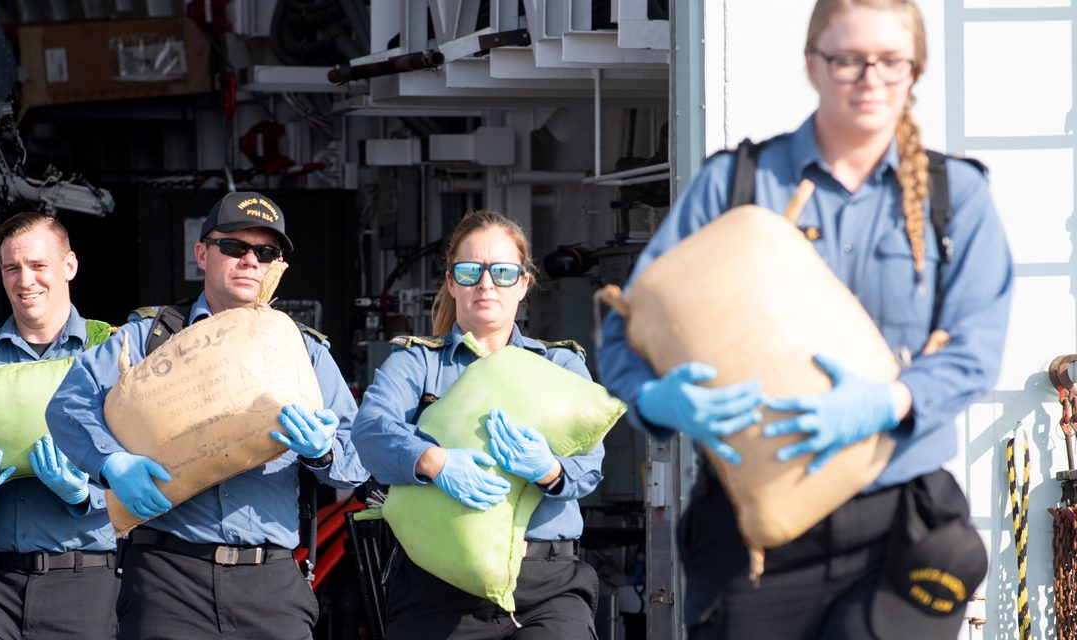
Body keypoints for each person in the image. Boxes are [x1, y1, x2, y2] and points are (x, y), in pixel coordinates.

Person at [597, 1, 1012, 638]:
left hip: (899, 525)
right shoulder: (733, 185)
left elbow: (975, 347)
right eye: (848, 59)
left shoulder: (954, 199)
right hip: (753, 539)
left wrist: (890, 401)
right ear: (813, 65)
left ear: (914, 70)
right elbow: (624, 326)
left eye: (891, 61)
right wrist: (657, 400)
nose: (870, 78)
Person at [45, 191, 367, 640]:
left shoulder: (303, 350)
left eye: (265, 252)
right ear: (202, 253)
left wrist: (323, 452)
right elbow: (67, 405)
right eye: (234, 247)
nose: (250, 261)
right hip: (167, 579)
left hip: (269, 581)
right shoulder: (150, 337)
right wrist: (111, 463)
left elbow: (355, 460)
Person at [352, 209, 605, 639]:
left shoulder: (561, 364)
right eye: (470, 271)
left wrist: (549, 469)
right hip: (439, 588)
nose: (486, 284)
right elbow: (370, 430)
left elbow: (591, 465)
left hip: (546, 584)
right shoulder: (418, 363)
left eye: (503, 272)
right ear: (451, 282)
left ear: (524, 283)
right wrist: (434, 461)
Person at [0, 212, 117, 639]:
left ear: (69, 266)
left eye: (38, 266)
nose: (25, 280)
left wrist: (84, 493)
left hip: (84, 581)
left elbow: (153, 470)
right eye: (12, 268)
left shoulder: (110, 356)